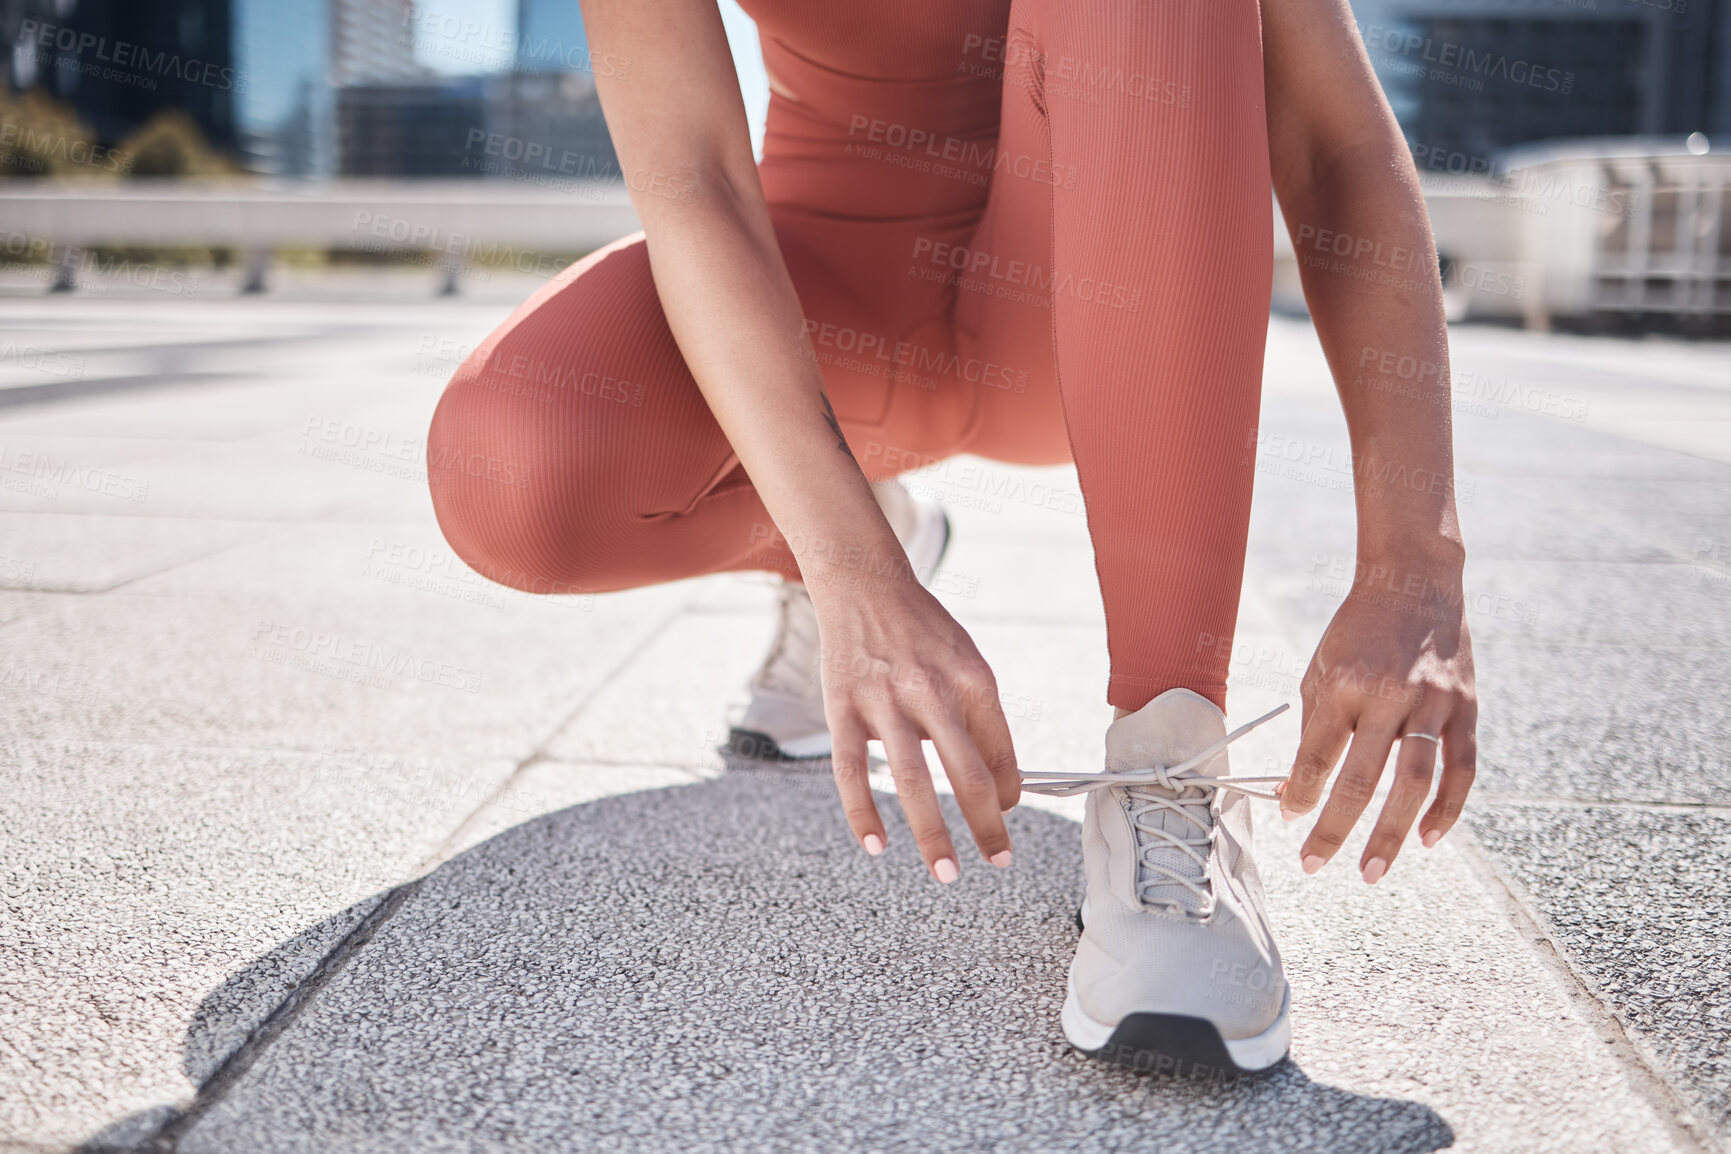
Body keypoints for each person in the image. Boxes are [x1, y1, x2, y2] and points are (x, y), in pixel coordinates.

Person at [426, 0, 1477, 1076]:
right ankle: (846, 520)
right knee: (510, 474)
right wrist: (850, 568)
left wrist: (1415, 564)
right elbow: (693, 175)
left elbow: (1335, 146)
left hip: (1093, 302)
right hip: (833, 310)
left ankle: (1171, 754)